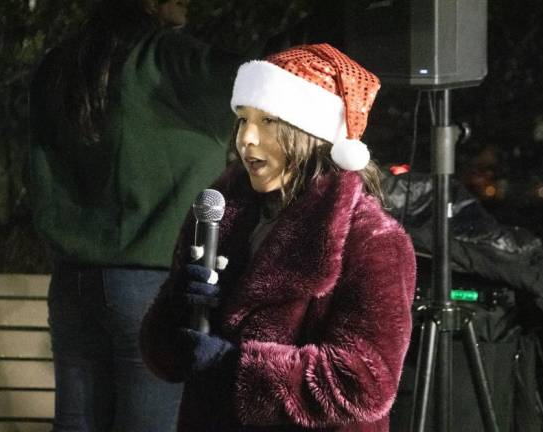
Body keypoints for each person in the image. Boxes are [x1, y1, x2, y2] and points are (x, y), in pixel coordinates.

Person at [140, 43, 417, 431]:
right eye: (242, 118)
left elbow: (364, 383)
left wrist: (232, 366)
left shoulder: (372, 238)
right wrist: (178, 306)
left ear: (311, 133)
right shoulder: (217, 215)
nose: (246, 138)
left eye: (268, 121)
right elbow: (163, 356)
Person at [28, 0, 245, 430]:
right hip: (151, 285)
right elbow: (265, 80)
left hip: (73, 283)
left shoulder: (58, 64)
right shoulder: (166, 58)